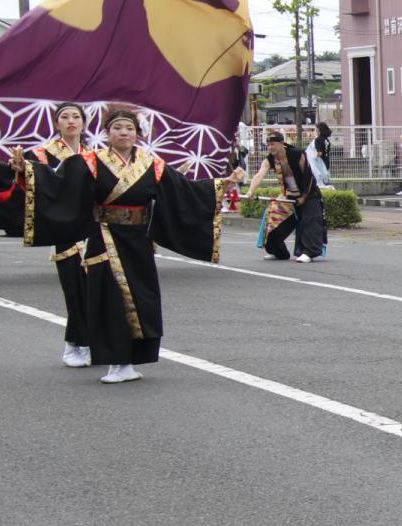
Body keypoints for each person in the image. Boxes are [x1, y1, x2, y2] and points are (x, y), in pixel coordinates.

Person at [14, 107, 242, 383]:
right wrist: (27, 172)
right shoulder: (90, 161)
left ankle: (131, 360)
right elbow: (58, 184)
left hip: (138, 240)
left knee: (141, 298)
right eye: (118, 129)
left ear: (137, 134)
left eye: (129, 129)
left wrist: (220, 185)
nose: (124, 133)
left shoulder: (151, 163)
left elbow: (182, 189)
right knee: (109, 299)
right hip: (104, 237)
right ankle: (116, 362)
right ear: (107, 134)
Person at [0, 102, 95, 367]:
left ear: (84, 123)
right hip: (63, 230)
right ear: (56, 123)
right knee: (74, 288)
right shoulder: (42, 154)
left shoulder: (95, 155)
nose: (71, 121)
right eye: (65, 117)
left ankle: (95, 341)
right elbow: (11, 177)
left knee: (99, 290)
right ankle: (74, 343)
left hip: (95, 229)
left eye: (76, 117)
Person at [245, 132, 326, 263]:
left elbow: (308, 176)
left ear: (282, 143)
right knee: (272, 218)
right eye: (268, 145)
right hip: (288, 195)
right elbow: (259, 175)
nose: (270, 147)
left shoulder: (296, 154)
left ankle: (309, 253)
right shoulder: (270, 159)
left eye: (273, 144)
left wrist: (304, 196)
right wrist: (250, 191)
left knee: (310, 222)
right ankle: (278, 251)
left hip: (309, 193)